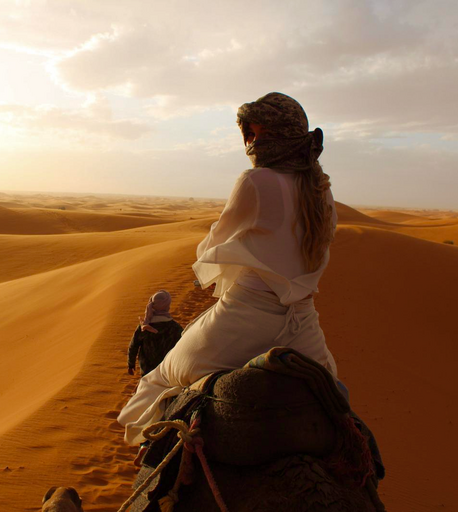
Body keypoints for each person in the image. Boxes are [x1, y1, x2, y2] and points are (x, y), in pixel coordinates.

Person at [118, 92, 339, 445]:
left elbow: (213, 245)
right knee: (335, 399)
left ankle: (156, 458)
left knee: (158, 380)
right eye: (249, 134)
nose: (252, 143)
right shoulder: (322, 190)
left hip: (244, 321)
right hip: (304, 329)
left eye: (261, 133)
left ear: (283, 134)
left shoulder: (257, 181)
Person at [127, 290, 183, 376]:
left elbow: (133, 346)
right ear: (167, 306)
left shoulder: (143, 327)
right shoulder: (175, 327)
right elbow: (183, 348)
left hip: (147, 372)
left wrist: (131, 364)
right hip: (167, 371)